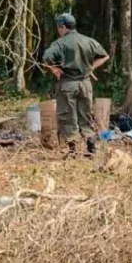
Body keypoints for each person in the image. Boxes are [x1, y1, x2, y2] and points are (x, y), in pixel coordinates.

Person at [42, 13, 110, 156]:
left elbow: (46, 57)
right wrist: (91, 67)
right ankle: (91, 148)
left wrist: (55, 69)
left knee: (67, 116)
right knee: (85, 115)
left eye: (59, 27)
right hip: (85, 84)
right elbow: (104, 55)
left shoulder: (59, 43)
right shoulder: (88, 41)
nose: (58, 30)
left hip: (68, 84)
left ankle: (73, 150)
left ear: (63, 27)